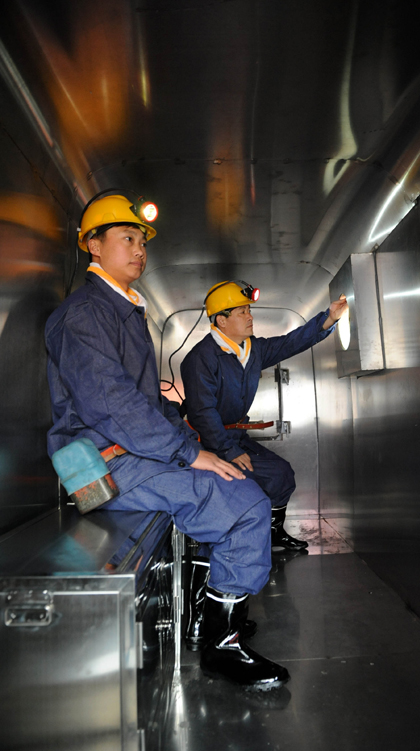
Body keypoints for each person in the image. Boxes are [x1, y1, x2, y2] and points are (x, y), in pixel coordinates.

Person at [44, 194, 289, 692]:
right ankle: (221, 644)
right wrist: (188, 452)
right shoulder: (86, 313)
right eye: (126, 238)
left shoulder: (122, 311)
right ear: (92, 245)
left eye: (141, 241)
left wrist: (193, 443)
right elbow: (110, 405)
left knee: (231, 482)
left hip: (118, 454)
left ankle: (207, 620)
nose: (139, 250)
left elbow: (146, 404)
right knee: (245, 504)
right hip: (95, 469)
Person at [180, 280, 348, 549]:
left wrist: (328, 318)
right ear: (221, 321)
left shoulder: (252, 349)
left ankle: (272, 535)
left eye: (249, 310)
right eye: (242, 312)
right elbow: (201, 413)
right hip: (206, 443)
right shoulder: (201, 358)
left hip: (235, 437)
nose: (250, 317)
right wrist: (227, 450)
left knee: (281, 474)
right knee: (238, 486)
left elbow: (289, 343)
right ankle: (224, 545)